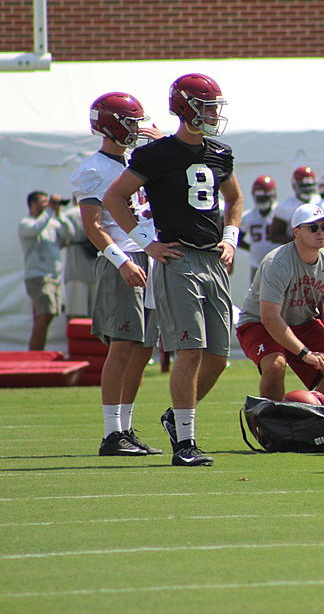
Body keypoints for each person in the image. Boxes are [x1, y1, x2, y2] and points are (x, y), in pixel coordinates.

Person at [104, 72, 242, 467]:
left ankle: (176, 417)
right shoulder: (156, 154)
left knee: (218, 355)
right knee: (190, 348)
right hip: (177, 257)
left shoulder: (220, 151)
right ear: (186, 108)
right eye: (207, 106)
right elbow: (116, 197)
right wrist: (146, 240)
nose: (214, 113)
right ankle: (186, 443)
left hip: (213, 259)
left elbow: (234, 198)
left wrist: (230, 237)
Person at [72, 91, 164, 456]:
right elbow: (94, 226)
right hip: (123, 259)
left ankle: (125, 427)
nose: (136, 130)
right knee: (123, 346)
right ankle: (112, 433)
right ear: (110, 125)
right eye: (130, 123)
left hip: (149, 255)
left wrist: (163, 149)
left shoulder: (134, 162)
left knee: (143, 349)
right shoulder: (94, 169)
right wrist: (121, 261)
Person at [236, 203, 324, 400]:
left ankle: (309, 418)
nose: (321, 232)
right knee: (275, 364)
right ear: (296, 231)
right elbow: (270, 318)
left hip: (302, 321)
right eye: (313, 227)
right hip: (258, 322)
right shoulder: (277, 262)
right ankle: (271, 425)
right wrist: (305, 353)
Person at [19, 191, 71, 350]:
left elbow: (69, 237)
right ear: (33, 204)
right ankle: (34, 354)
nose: (48, 204)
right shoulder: (26, 223)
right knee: (43, 316)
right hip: (38, 277)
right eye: (43, 202)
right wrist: (50, 210)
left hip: (54, 276)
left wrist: (59, 214)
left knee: (46, 317)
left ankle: (37, 352)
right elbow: (36, 229)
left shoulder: (52, 223)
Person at [61, 198, 99, 319]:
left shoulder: (68, 215)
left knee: (76, 312)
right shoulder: (98, 213)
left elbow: (62, 239)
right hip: (96, 267)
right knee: (96, 312)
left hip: (76, 267)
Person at [239, 175, 281, 281]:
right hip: (257, 265)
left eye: (266, 197)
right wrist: (252, 248)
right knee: (255, 296)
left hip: (279, 264)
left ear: (273, 195)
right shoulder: (248, 216)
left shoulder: (280, 213)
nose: (262, 200)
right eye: (260, 197)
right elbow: (238, 240)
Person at [269, 166, 319, 243]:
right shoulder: (285, 207)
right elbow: (274, 235)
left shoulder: (321, 202)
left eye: (309, 185)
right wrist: (298, 242)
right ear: (294, 185)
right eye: (303, 186)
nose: (307, 189)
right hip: (295, 250)